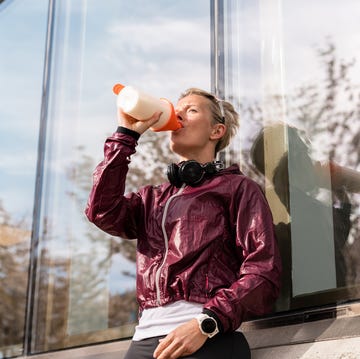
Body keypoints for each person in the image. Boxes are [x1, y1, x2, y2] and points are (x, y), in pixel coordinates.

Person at [85, 88, 282, 359]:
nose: (178, 116)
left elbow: (263, 272)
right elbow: (101, 211)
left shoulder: (238, 189)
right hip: (144, 342)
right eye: (177, 111)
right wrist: (125, 136)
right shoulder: (150, 199)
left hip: (207, 339)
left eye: (191, 110)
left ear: (216, 131)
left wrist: (206, 323)